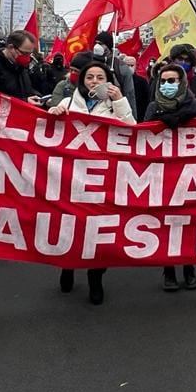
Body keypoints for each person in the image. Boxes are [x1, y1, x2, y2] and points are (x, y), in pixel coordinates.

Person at [49, 61, 135, 304]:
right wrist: (53, 114)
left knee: (98, 230)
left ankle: (95, 278)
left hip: (102, 180)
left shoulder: (114, 106)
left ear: (108, 81)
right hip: (71, 178)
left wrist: (119, 101)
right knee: (70, 226)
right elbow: (46, 135)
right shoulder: (67, 103)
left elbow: (132, 131)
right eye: (90, 78)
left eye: (100, 77)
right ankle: (67, 266)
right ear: (81, 80)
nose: (94, 82)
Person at [142, 63, 196, 292]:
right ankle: (168, 271)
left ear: (182, 83)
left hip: (189, 173)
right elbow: (143, 138)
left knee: (189, 223)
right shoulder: (153, 107)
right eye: (164, 81)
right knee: (166, 224)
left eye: (173, 81)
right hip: (162, 174)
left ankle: (190, 269)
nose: (168, 85)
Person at [0, 29, 41, 103]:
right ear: (11, 47)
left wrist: (39, 98)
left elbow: (27, 90)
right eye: (25, 53)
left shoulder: (20, 67)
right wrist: (24, 101)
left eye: (30, 54)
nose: (28, 58)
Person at [163, 44, 196, 115]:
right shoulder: (162, 80)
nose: (183, 62)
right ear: (173, 60)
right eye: (180, 59)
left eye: (187, 60)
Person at [92, 31, 136, 106]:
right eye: (96, 43)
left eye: (100, 44)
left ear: (108, 46)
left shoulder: (121, 67)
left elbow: (129, 95)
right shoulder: (89, 63)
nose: (97, 46)